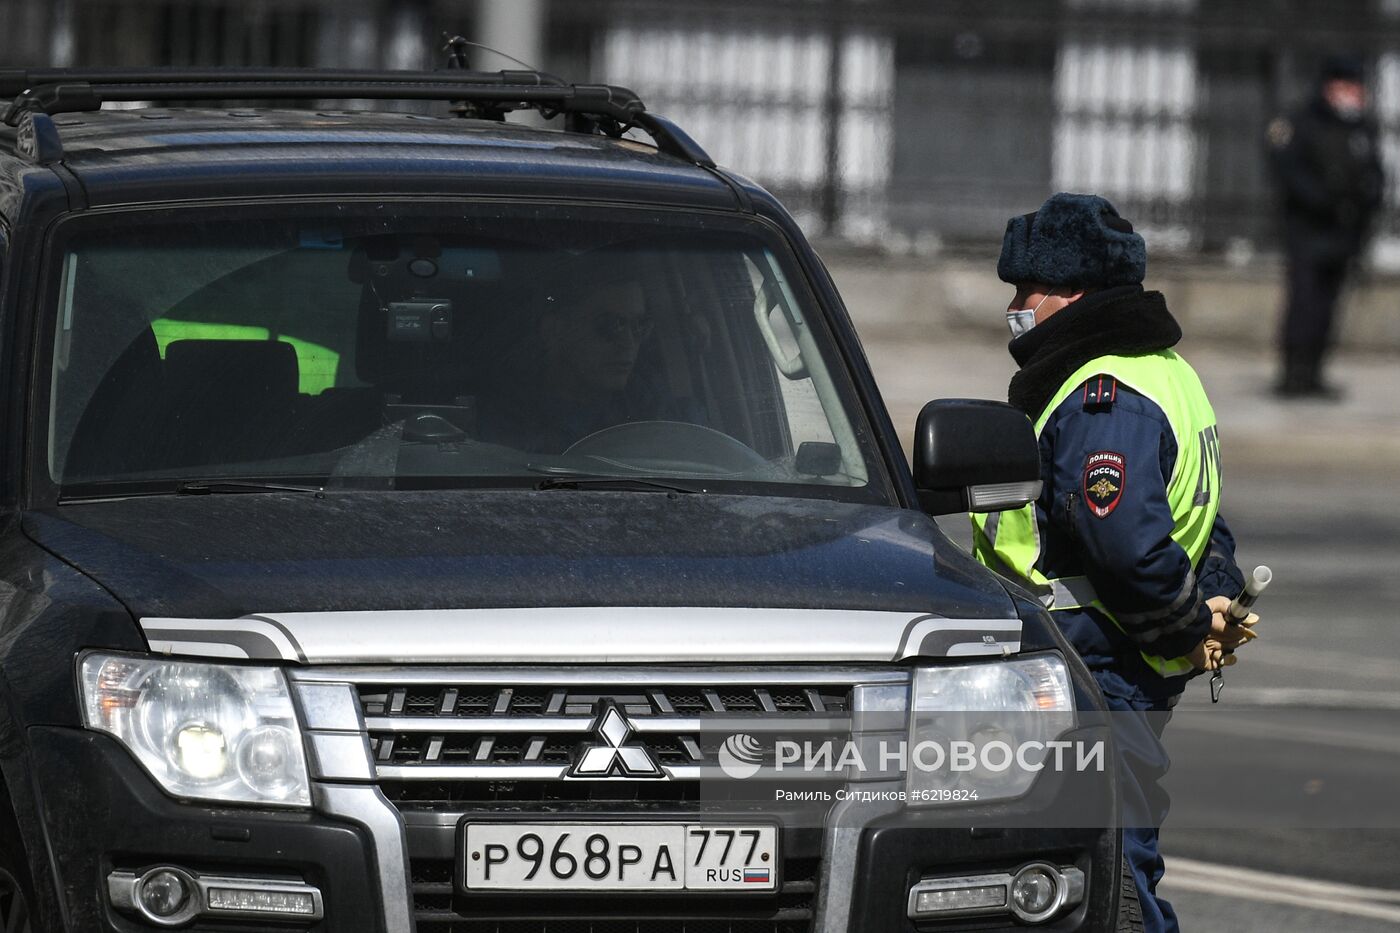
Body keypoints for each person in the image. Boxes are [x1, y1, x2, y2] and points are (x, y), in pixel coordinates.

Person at [970, 193, 1261, 932]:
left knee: (1109, 871)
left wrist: (1181, 625)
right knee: (1075, 856)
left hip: (1094, 665)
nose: (1014, 306)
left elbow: (1126, 541)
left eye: (1023, 290)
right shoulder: (1166, 371)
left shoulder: (1105, 394)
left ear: (1070, 292)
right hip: (1104, 664)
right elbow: (1203, 520)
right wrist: (1215, 600)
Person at [1267, 53, 1384, 398]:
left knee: (1328, 307)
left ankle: (1315, 372)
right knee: (1305, 302)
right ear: (1330, 87)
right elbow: (1287, 173)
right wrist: (1323, 201)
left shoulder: (1360, 127)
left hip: (1344, 233)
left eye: (1357, 87)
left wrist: (1367, 202)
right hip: (1308, 230)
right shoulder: (1302, 123)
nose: (1353, 94)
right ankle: (1293, 375)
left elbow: (1375, 173)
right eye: (1346, 86)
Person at [481, 273, 658, 453]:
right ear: (554, 330)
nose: (628, 343)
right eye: (611, 325)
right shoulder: (506, 417)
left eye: (639, 325)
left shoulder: (650, 408)